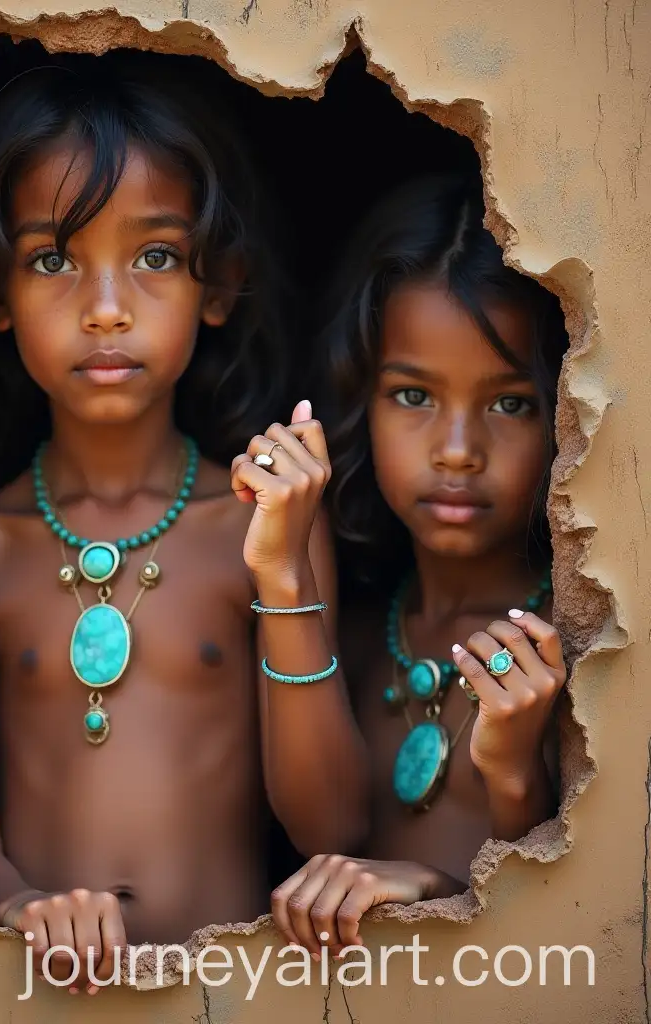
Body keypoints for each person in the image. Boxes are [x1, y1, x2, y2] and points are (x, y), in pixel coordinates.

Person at [0, 53, 369, 985]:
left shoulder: (265, 526)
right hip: (30, 995)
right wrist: (22, 906)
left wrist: (282, 572)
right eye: (53, 260)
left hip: (234, 999)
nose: (106, 310)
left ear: (220, 283)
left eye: (155, 256)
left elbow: (332, 830)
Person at [271, 174, 569, 956]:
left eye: (511, 404)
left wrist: (509, 778)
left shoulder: (581, 649)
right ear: (358, 400)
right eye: (413, 396)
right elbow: (319, 831)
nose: (459, 451)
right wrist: (285, 572)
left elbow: (575, 934)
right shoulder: (366, 642)